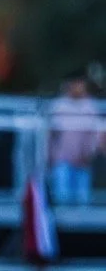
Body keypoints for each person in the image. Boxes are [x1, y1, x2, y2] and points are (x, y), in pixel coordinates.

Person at [48, 75, 103, 206]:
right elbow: (50, 134)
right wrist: (51, 155)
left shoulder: (91, 107)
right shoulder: (58, 106)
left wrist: (90, 153)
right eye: (75, 84)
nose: (78, 87)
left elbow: (96, 135)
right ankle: (61, 225)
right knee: (62, 197)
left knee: (82, 200)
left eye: (80, 84)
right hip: (62, 160)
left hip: (83, 162)